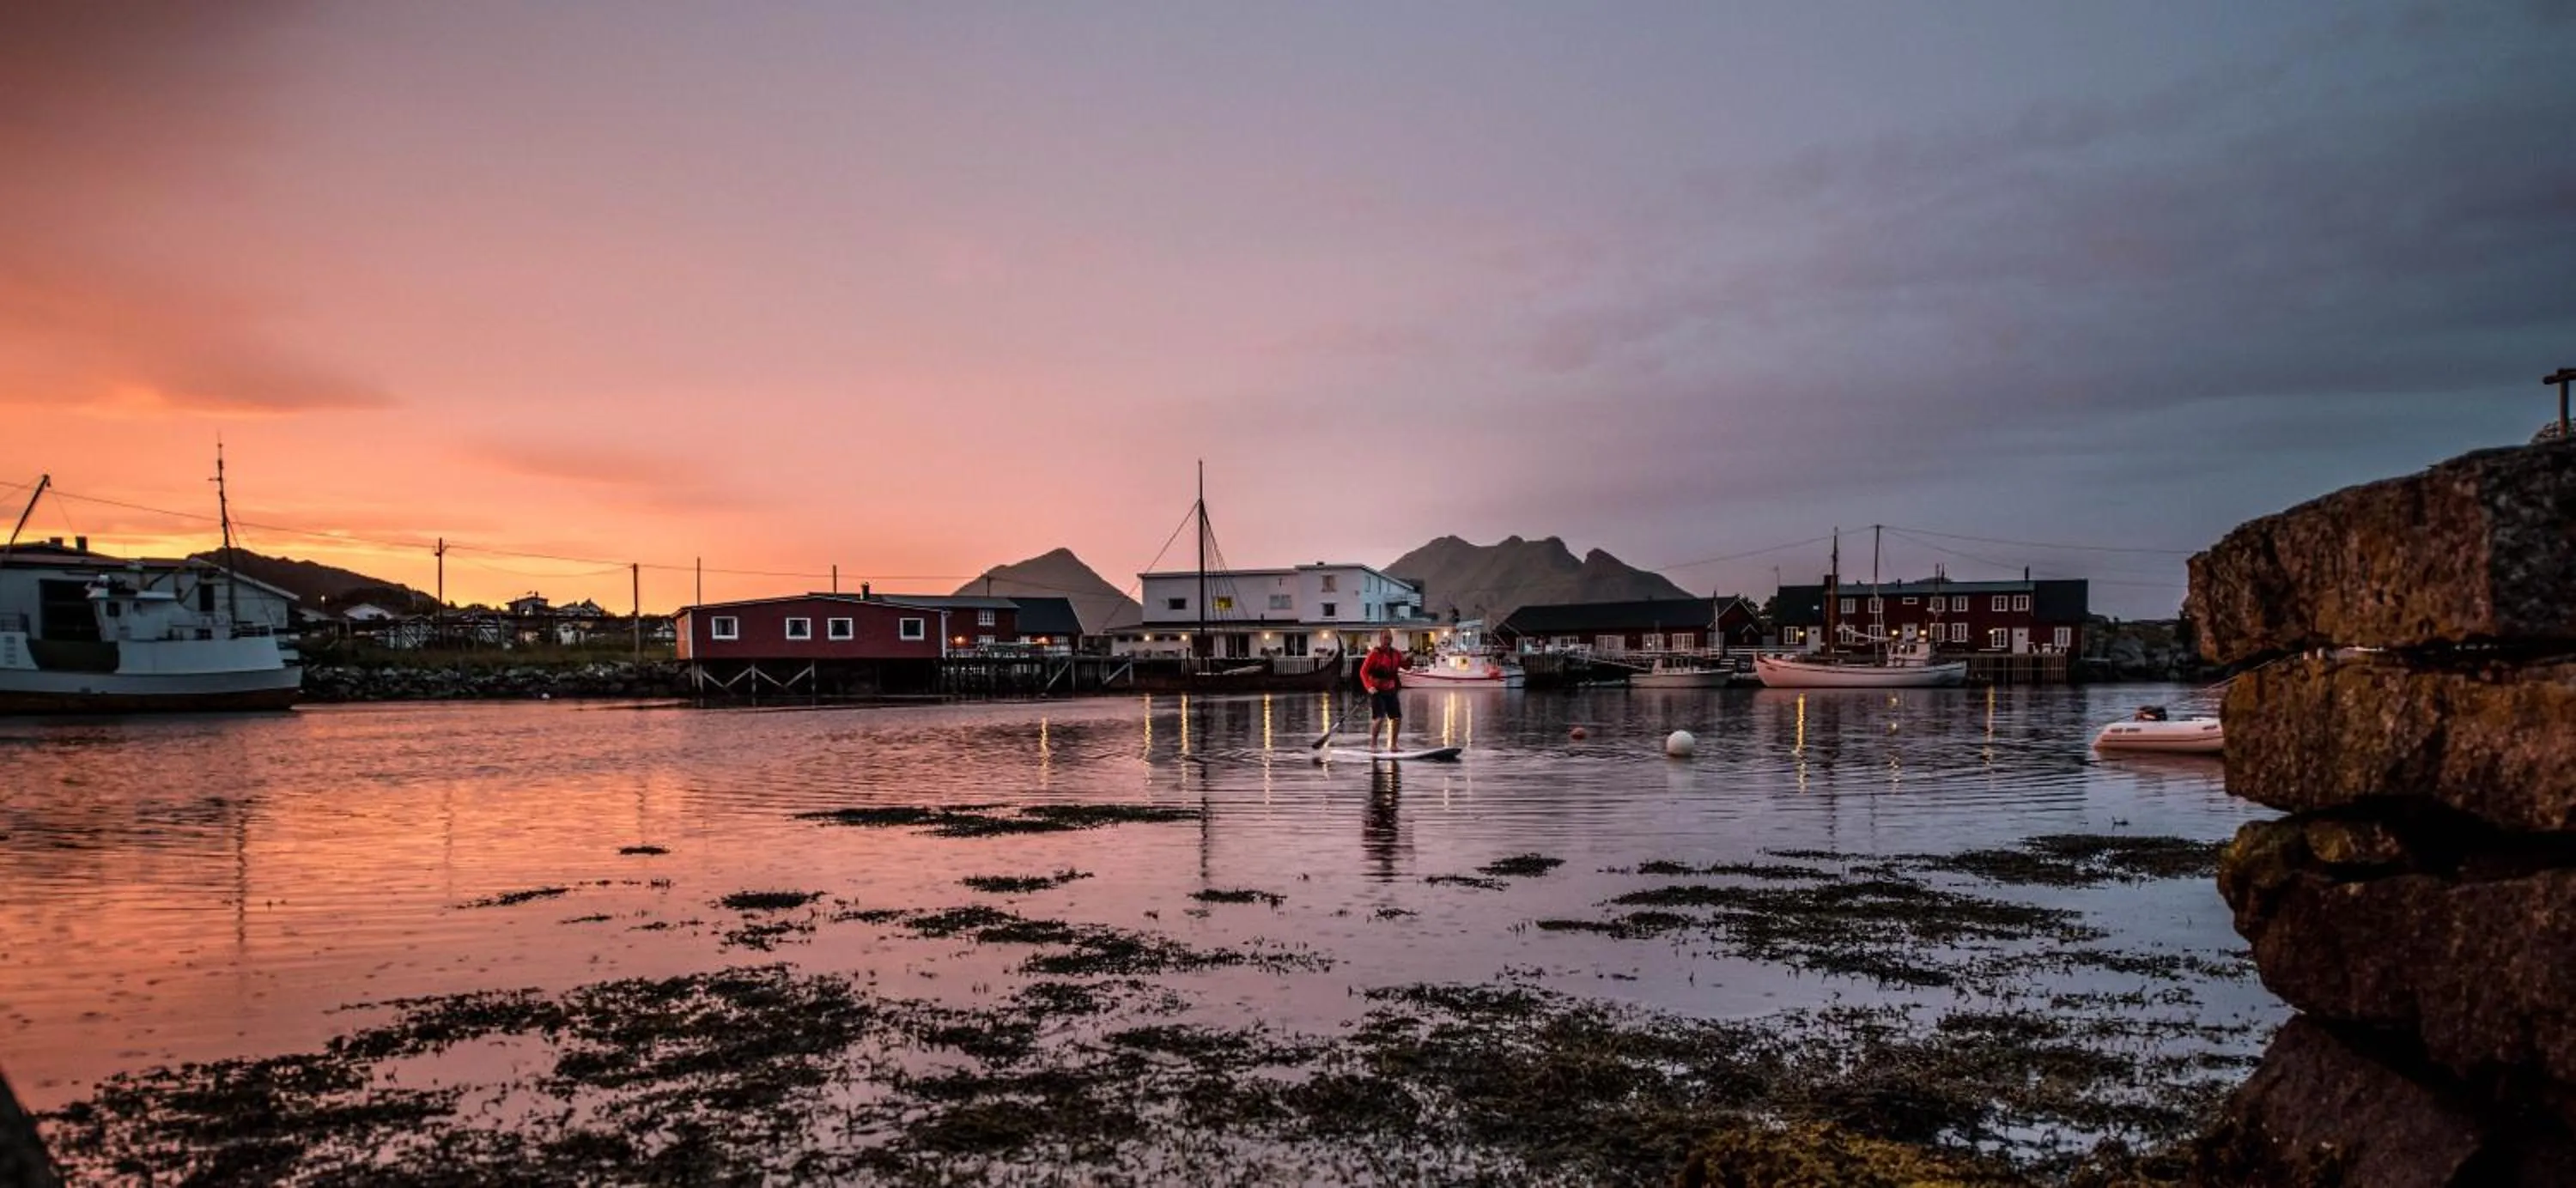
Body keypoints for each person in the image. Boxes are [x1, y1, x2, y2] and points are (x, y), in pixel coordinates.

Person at [1360, 628, 1406, 752]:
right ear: (1380, 639)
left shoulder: (1396, 654)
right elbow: (1363, 672)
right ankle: (1373, 744)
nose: (1388, 641)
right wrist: (1369, 687)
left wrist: (1408, 660)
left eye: (1390, 638)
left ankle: (1394, 745)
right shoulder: (1375, 654)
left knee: (1397, 718)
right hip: (1377, 691)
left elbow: (1406, 666)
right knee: (1379, 718)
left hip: (1391, 690)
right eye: (1385, 638)